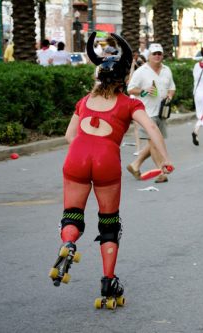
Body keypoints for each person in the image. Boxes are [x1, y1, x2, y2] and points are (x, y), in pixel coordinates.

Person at [48, 32, 173, 306]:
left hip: (77, 155)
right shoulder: (130, 103)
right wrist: (163, 158)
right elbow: (151, 127)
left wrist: (85, 149)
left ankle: (68, 243)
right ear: (123, 80)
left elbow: (70, 136)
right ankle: (108, 282)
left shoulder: (84, 101)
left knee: (72, 214)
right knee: (108, 223)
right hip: (106, 159)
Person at [126, 43, 176, 183]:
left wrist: (170, 96)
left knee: (156, 141)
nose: (157, 56)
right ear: (149, 56)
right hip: (146, 113)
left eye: (159, 53)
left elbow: (172, 87)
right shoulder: (141, 71)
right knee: (154, 142)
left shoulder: (167, 70)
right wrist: (143, 91)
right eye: (154, 53)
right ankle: (162, 171)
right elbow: (130, 89)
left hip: (162, 112)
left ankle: (135, 165)